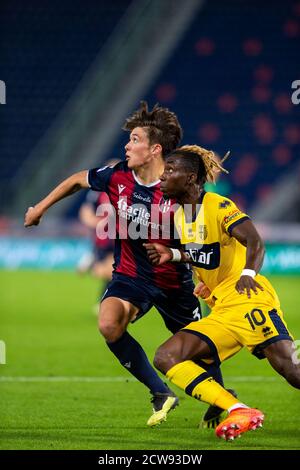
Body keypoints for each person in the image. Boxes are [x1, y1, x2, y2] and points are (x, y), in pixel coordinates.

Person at [24, 102, 228, 428]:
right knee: (108, 324)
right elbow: (78, 179)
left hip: (174, 283)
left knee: (199, 352)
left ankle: (220, 398)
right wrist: (40, 208)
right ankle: (161, 393)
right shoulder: (118, 175)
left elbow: (202, 246)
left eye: (135, 140)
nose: (127, 145)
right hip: (131, 275)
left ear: (154, 149)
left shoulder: (181, 192)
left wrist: (203, 275)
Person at [144, 144, 300, 440]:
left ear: (190, 178)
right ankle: (239, 409)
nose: (162, 177)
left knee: (292, 371)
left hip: (247, 298)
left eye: (170, 171)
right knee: (167, 355)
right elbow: (203, 254)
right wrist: (174, 256)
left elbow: (255, 241)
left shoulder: (217, 205)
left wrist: (247, 274)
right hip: (222, 309)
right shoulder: (180, 216)